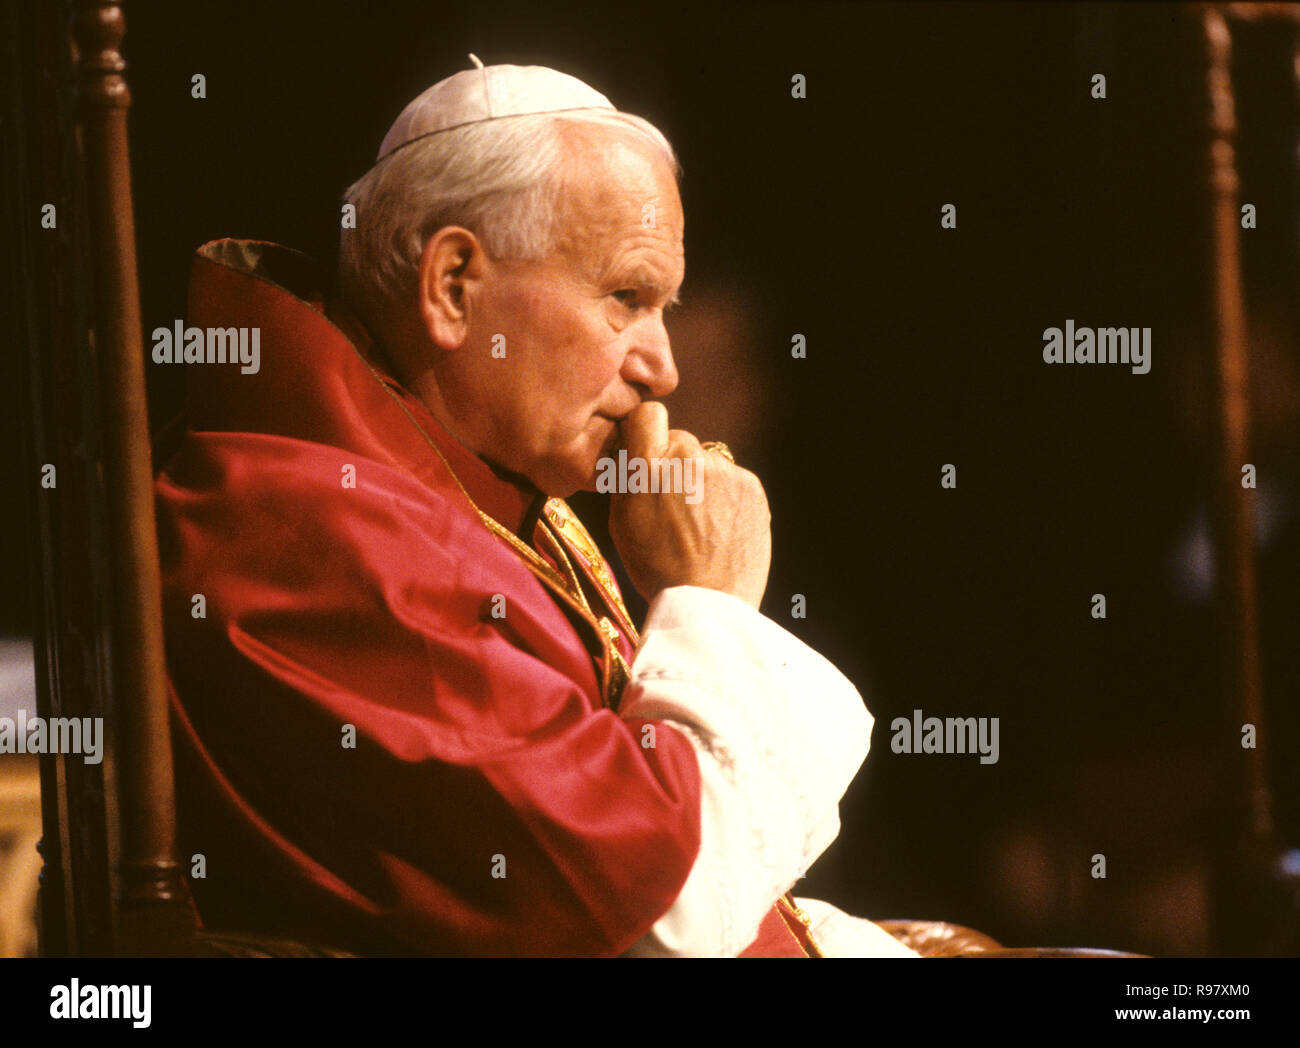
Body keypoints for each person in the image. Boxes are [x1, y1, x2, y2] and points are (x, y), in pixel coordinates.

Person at [152, 57, 917, 958]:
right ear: (454, 287)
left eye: (666, 308)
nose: (662, 368)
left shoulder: (470, 490)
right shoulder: (300, 532)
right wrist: (711, 605)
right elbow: (659, 916)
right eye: (627, 299)